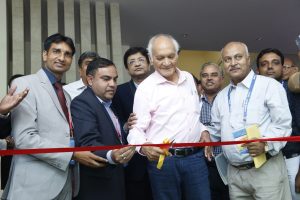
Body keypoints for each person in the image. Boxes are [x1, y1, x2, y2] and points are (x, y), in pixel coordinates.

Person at [2, 33, 107, 200]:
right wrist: (72, 154)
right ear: (45, 55)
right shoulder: (24, 84)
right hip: (34, 186)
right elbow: (24, 138)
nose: (61, 57)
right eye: (56, 51)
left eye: (67, 54)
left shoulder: (66, 95)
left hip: (67, 183)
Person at [127, 34, 211, 200]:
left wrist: (204, 130)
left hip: (196, 158)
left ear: (177, 55)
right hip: (164, 161)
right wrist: (143, 147)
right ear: (151, 59)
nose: (166, 62)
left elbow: (193, 114)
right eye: (160, 58)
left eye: (171, 56)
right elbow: (136, 128)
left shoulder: (188, 78)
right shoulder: (145, 89)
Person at [209, 41, 292, 200]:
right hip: (234, 173)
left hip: (266, 169)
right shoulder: (221, 96)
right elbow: (215, 131)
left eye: (238, 57)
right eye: (227, 59)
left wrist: (266, 144)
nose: (233, 63)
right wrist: (204, 133)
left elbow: (283, 125)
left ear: (248, 59)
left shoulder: (269, 86)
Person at [71, 57, 136, 200]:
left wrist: (125, 130)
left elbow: (114, 136)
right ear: (90, 80)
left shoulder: (109, 104)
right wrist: (112, 155)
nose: (112, 84)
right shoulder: (82, 103)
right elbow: (88, 142)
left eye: (115, 79)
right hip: (98, 184)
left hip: (116, 179)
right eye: (106, 79)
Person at [257, 48, 300, 200]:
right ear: (258, 69)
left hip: (292, 160)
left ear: (282, 68)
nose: (270, 67)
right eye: (264, 64)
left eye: (275, 63)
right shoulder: (254, 94)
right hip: (265, 162)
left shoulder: (293, 91)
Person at [111, 47, 152, 200]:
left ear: (149, 64)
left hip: (163, 157)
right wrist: (125, 126)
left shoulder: (162, 89)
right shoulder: (119, 91)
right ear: (127, 69)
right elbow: (114, 121)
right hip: (134, 161)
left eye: (141, 60)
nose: (137, 64)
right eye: (132, 62)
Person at [199, 62, 229, 200]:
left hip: (227, 163)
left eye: (214, 75)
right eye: (205, 75)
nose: (209, 78)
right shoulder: (193, 102)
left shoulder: (230, 100)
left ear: (222, 78)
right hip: (200, 164)